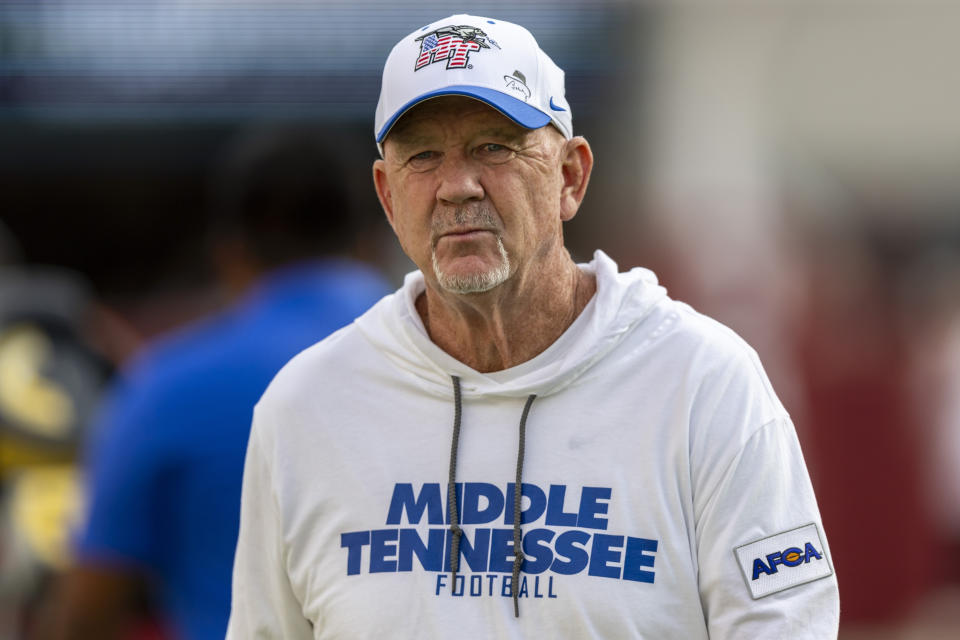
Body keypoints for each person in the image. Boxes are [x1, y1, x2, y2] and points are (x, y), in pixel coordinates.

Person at [227, 15, 840, 639]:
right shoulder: (307, 407)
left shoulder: (703, 386)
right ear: (387, 197)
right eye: (424, 157)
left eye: (493, 146)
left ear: (570, 176)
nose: (456, 186)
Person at [36, 127, 391, 640]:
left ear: (229, 251)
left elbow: (83, 615)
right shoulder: (463, 364)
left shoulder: (162, 388)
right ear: (372, 242)